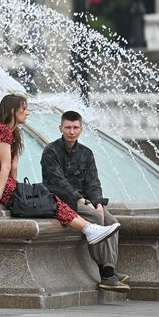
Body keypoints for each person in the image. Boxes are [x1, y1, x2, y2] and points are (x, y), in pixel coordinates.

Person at [0, 94, 119, 247]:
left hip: (6, 185)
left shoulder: (14, 132)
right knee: (47, 201)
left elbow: (14, 166)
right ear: (13, 111)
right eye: (24, 109)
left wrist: (17, 189)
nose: (27, 112)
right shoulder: (2, 130)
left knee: (49, 197)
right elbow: (5, 165)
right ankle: (89, 229)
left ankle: (90, 229)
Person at [41, 110, 131, 293]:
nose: (71, 131)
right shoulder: (50, 151)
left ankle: (109, 269)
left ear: (81, 129)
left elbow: (93, 182)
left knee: (112, 222)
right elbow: (58, 182)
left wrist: (98, 203)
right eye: (68, 127)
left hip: (85, 200)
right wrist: (81, 199)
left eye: (75, 127)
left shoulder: (86, 153)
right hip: (61, 199)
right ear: (60, 128)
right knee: (94, 217)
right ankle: (105, 273)